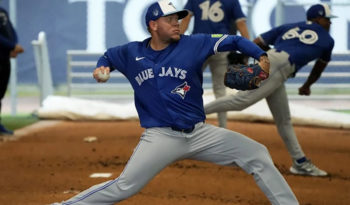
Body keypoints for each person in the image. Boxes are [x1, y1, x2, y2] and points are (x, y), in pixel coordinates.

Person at [52, 1, 299, 204]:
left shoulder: (193, 44)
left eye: (178, 18)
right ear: (153, 25)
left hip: (200, 134)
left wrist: (262, 56)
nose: (177, 23)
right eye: (170, 19)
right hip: (161, 137)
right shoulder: (131, 52)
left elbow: (233, 41)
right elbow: (107, 56)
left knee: (257, 153)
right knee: (125, 187)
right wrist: (101, 68)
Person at [205, 3, 336, 177]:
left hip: (274, 62)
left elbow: (259, 42)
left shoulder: (289, 26)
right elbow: (319, 67)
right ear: (318, 19)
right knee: (241, 101)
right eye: (327, 19)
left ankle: (299, 161)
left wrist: (245, 56)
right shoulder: (328, 40)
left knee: (284, 120)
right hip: (280, 65)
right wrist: (307, 86)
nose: (330, 23)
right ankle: (192, 111)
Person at [179, 0, 250, 128]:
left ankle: (188, 122)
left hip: (199, 45)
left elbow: (185, 19)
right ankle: (223, 126)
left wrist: (175, 44)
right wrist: (247, 50)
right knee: (220, 90)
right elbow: (241, 24)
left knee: (189, 84)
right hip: (221, 44)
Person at [0, 6, 24, 135]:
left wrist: (13, 46)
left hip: (4, 57)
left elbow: (11, 30)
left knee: (1, 92)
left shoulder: (2, 11)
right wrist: (12, 46)